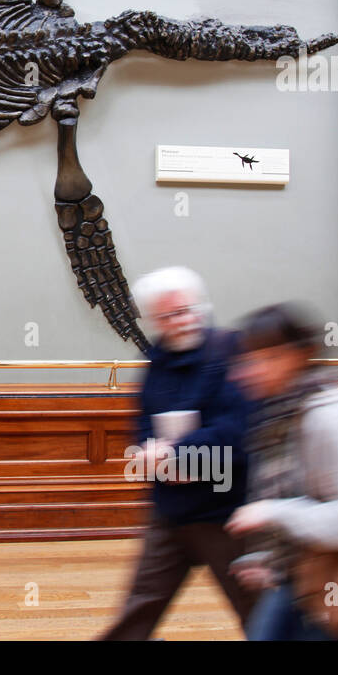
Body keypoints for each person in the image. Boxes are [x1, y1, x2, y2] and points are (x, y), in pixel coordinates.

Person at [225, 302, 338, 640]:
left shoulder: (336, 416)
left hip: (337, 581)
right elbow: (295, 492)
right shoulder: (279, 414)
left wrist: (273, 513)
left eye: (265, 358)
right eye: (248, 359)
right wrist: (266, 554)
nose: (247, 371)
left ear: (297, 357)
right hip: (296, 575)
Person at [99, 266, 255, 640]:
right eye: (168, 316)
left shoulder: (230, 352)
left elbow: (239, 432)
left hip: (226, 513)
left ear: (201, 307)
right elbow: (143, 429)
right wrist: (146, 454)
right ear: (155, 320)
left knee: (258, 612)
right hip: (170, 510)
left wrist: (176, 453)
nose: (181, 321)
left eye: (185, 310)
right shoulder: (157, 364)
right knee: (140, 609)